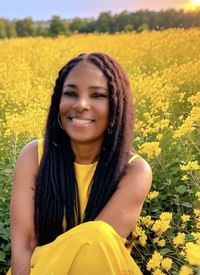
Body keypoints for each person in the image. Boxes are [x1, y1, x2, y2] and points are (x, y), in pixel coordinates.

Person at [7, 52, 152, 275]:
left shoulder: (134, 171)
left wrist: (42, 256)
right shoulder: (34, 156)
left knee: (98, 237)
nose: (81, 104)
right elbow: (23, 245)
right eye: (71, 93)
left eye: (97, 95)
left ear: (116, 108)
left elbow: (93, 251)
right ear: (58, 103)